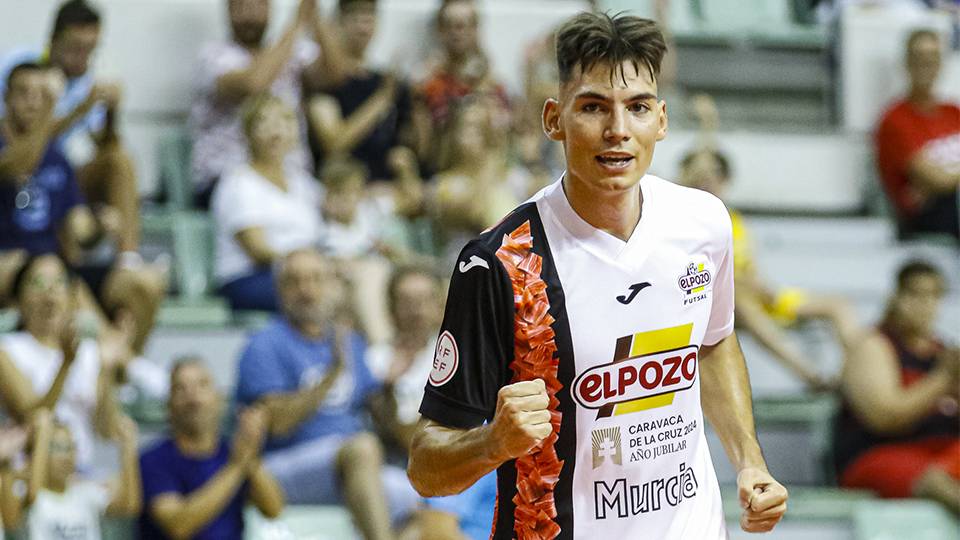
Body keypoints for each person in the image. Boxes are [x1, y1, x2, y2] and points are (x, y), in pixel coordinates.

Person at [406, 12, 788, 540]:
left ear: (661, 120)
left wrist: (749, 459)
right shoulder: (498, 264)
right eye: (593, 107)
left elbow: (715, 343)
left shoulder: (703, 222)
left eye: (637, 107)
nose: (618, 130)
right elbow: (425, 467)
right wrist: (493, 443)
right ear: (553, 119)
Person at [679, 93, 861, 391]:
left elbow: (751, 269)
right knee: (741, 300)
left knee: (838, 306)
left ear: (726, 181)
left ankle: (859, 378)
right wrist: (709, 126)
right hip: (716, 302)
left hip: (753, 293)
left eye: (715, 176)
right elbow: (711, 276)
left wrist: (765, 288)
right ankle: (810, 375)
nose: (707, 181)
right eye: (701, 177)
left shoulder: (735, 221)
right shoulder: (686, 218)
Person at [235, 249, 420, 540]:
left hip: (353, 469)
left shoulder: (347, 340)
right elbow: (275, 424)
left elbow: (380, 420)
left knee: (427, 498)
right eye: (295, 282)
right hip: (283, 466)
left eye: (315, 280)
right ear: (280, 290)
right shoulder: (264, 344)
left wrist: (388, 386)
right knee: (361, 448)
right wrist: (331, 376)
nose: (306, 290)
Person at [0, 62, 165, 356]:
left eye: (42, 94)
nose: (34, 102)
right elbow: (16, 167)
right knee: (48, 274)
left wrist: (101, 226)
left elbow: (80, 230)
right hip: (11, 268)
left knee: (144, 284)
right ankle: (128, 365)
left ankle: (121, 374)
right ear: (6, 98)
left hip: (59, 268)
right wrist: (54, 111)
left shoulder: (56, 157)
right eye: (25, 93)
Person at [0, 0, 141, 264]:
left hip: (63, 173)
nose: (83, 58)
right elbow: (20, 139)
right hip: (14, 172)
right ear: (53, 41)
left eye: (90, 50)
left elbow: (105, 146)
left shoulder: (87, 81)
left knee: (120, 162)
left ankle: (128, 262)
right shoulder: (20, 69)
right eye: (75, 48)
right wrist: (79, 109)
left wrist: (111, 112)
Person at [365, 265, 497, 540]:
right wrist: (389, 386)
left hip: (442, 459)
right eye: (408, 302)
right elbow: (404, 439)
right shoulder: (375, 359)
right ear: (391, 309)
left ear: (441, 305)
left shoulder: (462, 358)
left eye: (425, 300)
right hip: (395, 469)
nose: (417, 310)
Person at [190, 0, 347, 208]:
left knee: (342, 209)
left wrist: (315, 17)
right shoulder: (212, 56)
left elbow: (336, 75)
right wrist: (295, 25)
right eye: (241, 7)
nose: (250, 15)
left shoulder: (291, 50)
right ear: (228, 10)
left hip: (293, 176)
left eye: (258, 6)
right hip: (228, 178)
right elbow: (254, 84)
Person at [835, 261, 959, 513]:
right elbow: (884, 417)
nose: (923, 305)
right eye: (915, 294)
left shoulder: (943, 353)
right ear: (896, 297)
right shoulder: (873, 345)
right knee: (934, 481)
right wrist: (942, 380)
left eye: (933, 295)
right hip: (881, 454)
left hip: (943, 453)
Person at [0, 254, 131, 473]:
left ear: (72, 298)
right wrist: (66, 363)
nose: (49, 293)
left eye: (58, 283)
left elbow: (105, 428)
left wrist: (108, 368)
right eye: (38, 283)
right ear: (19, 300)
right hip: (32, 472)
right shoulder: (8, 349)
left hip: (81, 468)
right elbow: (34, 418)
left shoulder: (90, 351)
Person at [139, 358, 285, 540]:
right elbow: (178, 526)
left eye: (202, 385)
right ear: (168, 404)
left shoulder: (231, 452)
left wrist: (251, 455)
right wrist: (236, 468)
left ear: (219, 399)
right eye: (181, 388)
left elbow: (274, 509)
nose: (193, 397)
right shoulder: (153, 460)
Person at [211, 95, 324, 312]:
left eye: (285, 121)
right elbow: (257, 249)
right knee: (331, 292)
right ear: (248, 132)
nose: (277, 129)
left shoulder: (302, 182)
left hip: (305, 271)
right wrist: (304, 263)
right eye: (265, 122)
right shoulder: (238, 182)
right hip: (250, 277)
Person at [309, 0, 419, 183]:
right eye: (355, 16)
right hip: (343, 189)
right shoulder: (324, 80)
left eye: (368, 17)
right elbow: (334, 143)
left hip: (389, 190)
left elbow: (410, 147)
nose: (362, 25)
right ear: (339, 22)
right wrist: (382, 99)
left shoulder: (390, 81)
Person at [0, 408, 141, 540]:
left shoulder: (85, 492)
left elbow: (129, 507)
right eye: (57, 447)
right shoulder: (25, 494)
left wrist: (128, 447)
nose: (67, 455)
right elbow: (32, 498)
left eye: (71, 447)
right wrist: (42, 433)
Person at [876, 29, 959, 242]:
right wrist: (939, 181)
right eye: (920, 58)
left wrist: (946, 178)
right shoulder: (895, 119)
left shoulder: (953, 112)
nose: (927, 66)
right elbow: (935, 179)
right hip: (927, 215)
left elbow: (939, 179)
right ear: (907, 64)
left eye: (933, 58)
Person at [412, 0, 512, 172]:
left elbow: (506, 140)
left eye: (462, 26)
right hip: (441, 171)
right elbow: (422, 150)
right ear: (439, 31)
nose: (456, 32)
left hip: (488, 173)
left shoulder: (492, 86)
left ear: (475, 31)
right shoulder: (425, 85)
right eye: (449, 25)